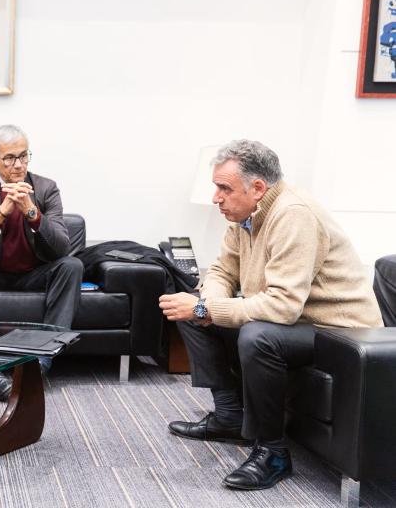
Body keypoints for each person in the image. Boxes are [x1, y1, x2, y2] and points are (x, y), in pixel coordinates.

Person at [159, 139, 383, 491]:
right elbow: (220, 271)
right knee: (191, 307)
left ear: (258, 187)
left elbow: (281, 306)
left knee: (256, 334)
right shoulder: (244, 217)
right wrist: (204, 306)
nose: (216, 197)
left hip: (339, 331)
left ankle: (273, 453)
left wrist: (207, 308)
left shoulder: (294, 215)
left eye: (224, 188)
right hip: (297, 322)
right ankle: (230, 416)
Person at [0, 124, 82, 401]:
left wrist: (32, 212)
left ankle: (41, 362)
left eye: (24, 156)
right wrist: (1, 213)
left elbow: (62, 247)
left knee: (72, 266)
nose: (18, 165)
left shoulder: (46, 188)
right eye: (10, 158)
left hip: (35, 271)